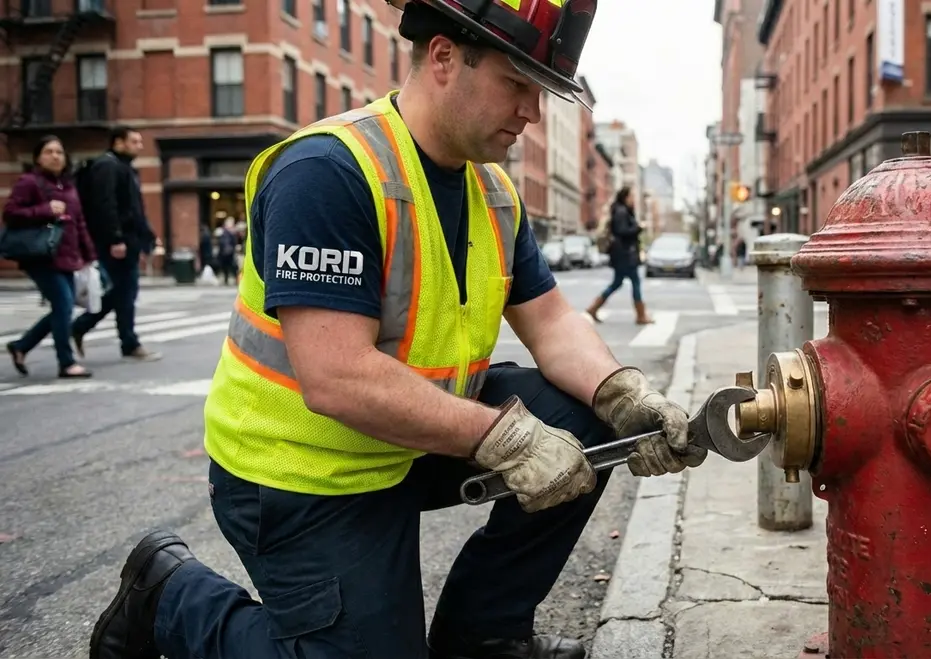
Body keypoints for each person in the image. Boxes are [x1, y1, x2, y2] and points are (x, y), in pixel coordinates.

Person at [89, 2, 707, 659]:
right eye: (516, 82)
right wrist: (502, 435)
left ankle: (481, 637)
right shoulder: (327, 173)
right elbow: (336, 377)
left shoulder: (493, 189)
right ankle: (168, 593)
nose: (531, 109)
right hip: (302, 471)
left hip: (407, 438)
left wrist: (624, 396)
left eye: (540, 89)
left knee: (590, 415)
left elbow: (551, 320)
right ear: (442, 57)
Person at [3, 136, 97, 378]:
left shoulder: (68, 187)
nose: (55, 156)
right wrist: (45, 210)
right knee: (64, 305)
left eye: (59, 152)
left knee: (62, 308)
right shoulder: (29, 182)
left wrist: (88, 254)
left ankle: (21, 346)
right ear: (38, 157)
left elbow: (79, 223)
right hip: (41, 256)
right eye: (49, 151)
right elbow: (10, 213)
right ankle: (66, 362)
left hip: (66, 256)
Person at [70, 125, 162, 362]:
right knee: (124, 292)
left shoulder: (124, 168)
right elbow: (105, 206)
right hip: (116, 243)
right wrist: (115, 239)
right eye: (134, 141)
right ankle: (126, 342)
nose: (140, 146)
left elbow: (134, 208)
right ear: (118, 142)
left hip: (128, 240)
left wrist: (148, 235)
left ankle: (86, 328)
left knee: (123, 293)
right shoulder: (107, 166)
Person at [585, 186, 653, 324]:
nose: (633, 199)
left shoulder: (621, 211)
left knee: (617, 283)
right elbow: (622, 231)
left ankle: (593, 308)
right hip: (625, 255)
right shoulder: (621, 212)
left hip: (622, 254)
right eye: (631, 197)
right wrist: (639, 227)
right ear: (625, 197)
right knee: (635, 282)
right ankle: (641, 315)